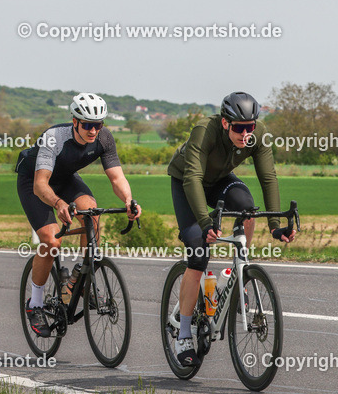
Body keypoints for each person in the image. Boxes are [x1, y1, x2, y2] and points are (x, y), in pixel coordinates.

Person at [167, 91, 295, 367]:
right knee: (199, 253)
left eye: (250, 127)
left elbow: (268, 177)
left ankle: (238, 272)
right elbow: (193, 177)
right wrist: (205, 223)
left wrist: (275, 226)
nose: (246, 134)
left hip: (220, 180)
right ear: (225, 123)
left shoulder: (258, 134)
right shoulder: (205, 130)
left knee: (247, 209)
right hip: (188, 181)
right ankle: (184, 334)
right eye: (239, 128)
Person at [16, 92, 140, 336]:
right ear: (75, 121)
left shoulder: (104, 138)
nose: (93, 131)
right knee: (52, 241)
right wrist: (59, 203)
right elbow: (41, 185)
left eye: (98, 125)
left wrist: (128, 200)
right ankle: (35, 304)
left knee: (92, 213)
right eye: (87, 125)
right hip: (35, 182)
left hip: (65, 179)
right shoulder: (53, 138)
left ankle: (82, 280)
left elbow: (117, 178)